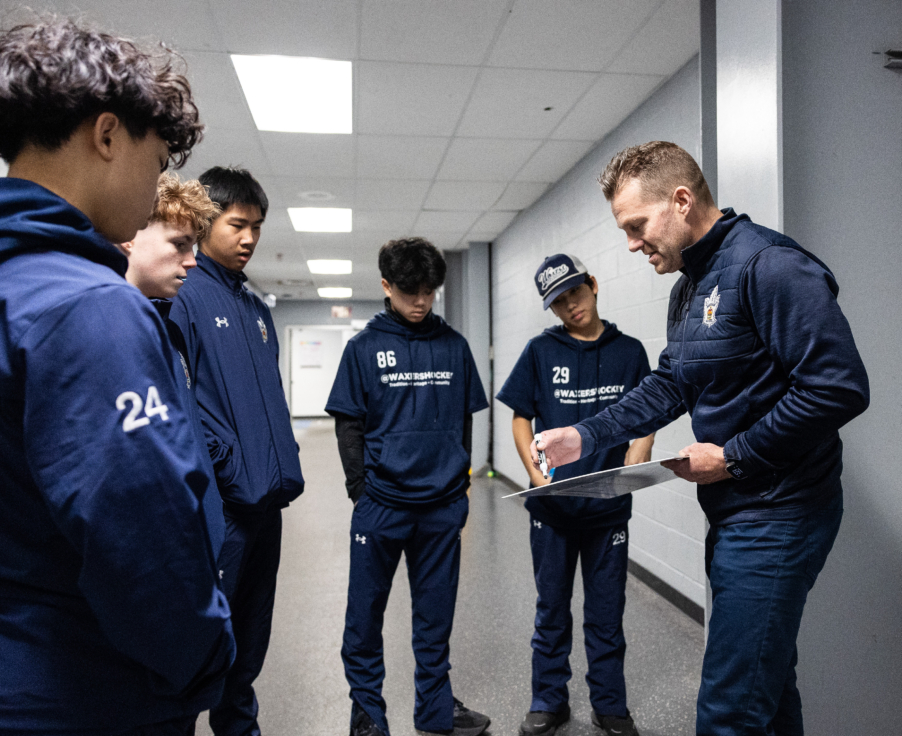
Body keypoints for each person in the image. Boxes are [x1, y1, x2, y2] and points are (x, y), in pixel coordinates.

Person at [0, 19, 234, 736]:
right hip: (83, 689)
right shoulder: (87, 307)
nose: (156, 183)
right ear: (109, 135)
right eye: (159, 154)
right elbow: (141, 534)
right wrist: (208, 659)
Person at [533, 141, 870, 736]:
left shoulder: (770, 266)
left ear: (681, 201)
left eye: (637, 225)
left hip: (780, 513)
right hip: (737, 510)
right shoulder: (689, 285)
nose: (632, 244)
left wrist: (735, 455)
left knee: (728, 712)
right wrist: (583, 438)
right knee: (768, 684)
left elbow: (839, 388)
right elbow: (671, 384)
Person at [325, 237, 492, 736]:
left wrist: (460, 484)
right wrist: (362, 491)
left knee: (435, 618)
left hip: (440, 507)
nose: (421, 301)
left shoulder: (454, 346)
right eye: (409, 291)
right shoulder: (363, 349)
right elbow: (348, 426)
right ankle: (368, 715)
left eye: (429, 291)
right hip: (381, 506)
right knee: (364, 619)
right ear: (386, 286)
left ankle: (435, 710)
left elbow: (463, 421)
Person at [169, 166, 304, 736]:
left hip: (265, 503)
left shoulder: (255, 307)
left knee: (248, 645)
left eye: (257, 227)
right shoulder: (183, 296)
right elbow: (182, 405)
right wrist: (225, 468)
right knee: (201, 647)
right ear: (205, 222)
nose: (249, 238)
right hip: (223, 511)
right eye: (237, 224)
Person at [496, 253, 654, 736]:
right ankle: (549, 699)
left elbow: (648, 412)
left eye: (576, 294)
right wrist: (536, 472)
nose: (571, 307)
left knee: (607, 614)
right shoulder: (540, 352)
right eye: (559, 303)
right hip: (553, 509)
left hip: (608, 510)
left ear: (594, 285)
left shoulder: (630, 352)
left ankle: (609, 705)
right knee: (552, 610)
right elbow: (521, 416)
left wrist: (640, 451)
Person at [117, 172, 226, 558]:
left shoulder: (168, 330)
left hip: (199, 549)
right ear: (130, 235)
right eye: (180, 245)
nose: (192, 262)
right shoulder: (106, 334)